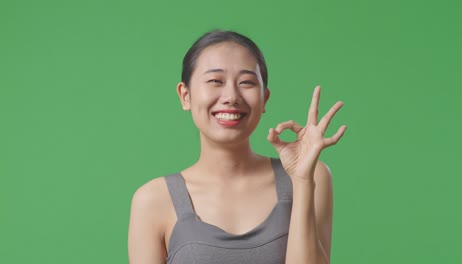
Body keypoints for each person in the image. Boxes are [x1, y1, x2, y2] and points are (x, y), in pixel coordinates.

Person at [128, 30, 346, 264]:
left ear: (264, 99)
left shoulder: (313, 176)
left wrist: (302, 180)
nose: (231, 96)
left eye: (246, 82)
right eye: (215, 81)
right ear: (185, 95)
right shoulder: (152, 200)